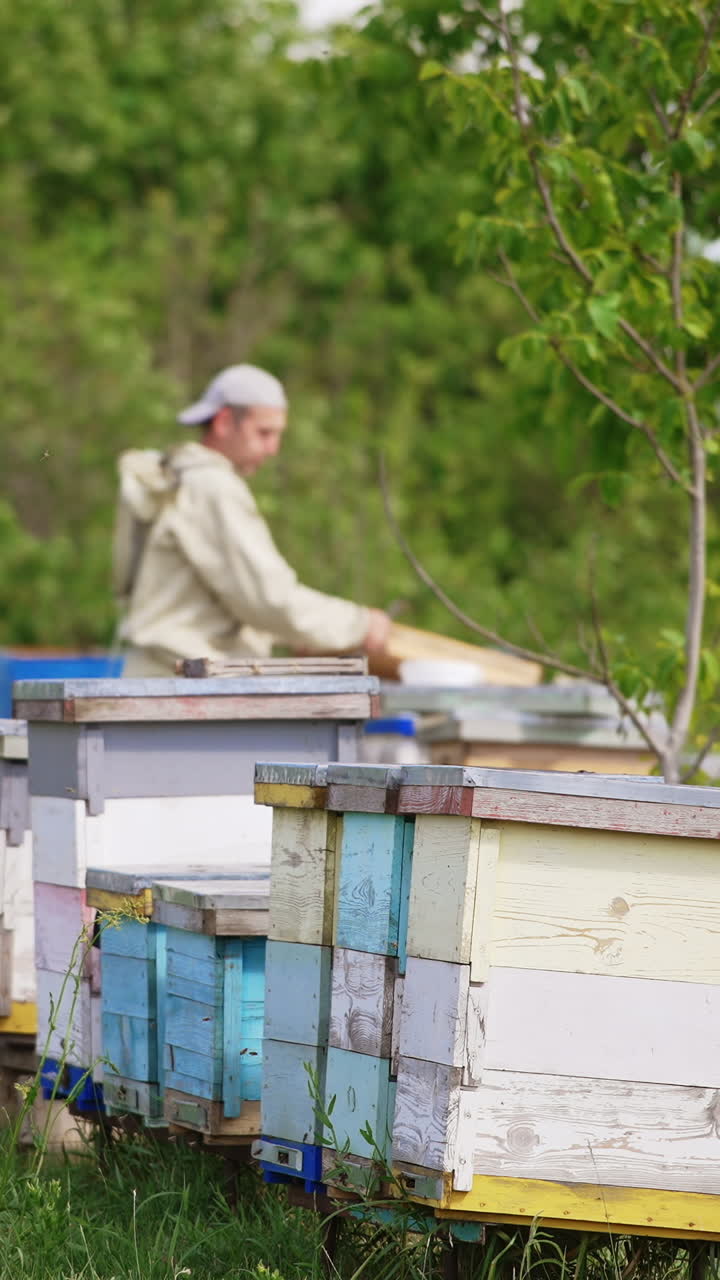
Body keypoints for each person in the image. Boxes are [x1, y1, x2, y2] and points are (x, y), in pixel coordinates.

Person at [113, 364, 391, 676]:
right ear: (224, 422)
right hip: (180, 687)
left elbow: (219, 601)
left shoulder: (180, 478)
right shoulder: (211, 486)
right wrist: (359, 624)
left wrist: (290, 633)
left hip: (165, 681)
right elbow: (266, 598)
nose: (273, 449)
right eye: (264, 433)